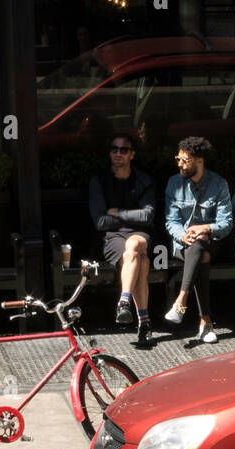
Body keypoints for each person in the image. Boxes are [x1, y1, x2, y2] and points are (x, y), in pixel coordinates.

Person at [163, 136, 232, 344]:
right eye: (179, 158)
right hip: (182, 244)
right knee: (199, 251)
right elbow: (171, 221)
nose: (179, 164)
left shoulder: (219, 184)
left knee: (201, 241)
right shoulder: (174, 184)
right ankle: (205, 322)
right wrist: (183, 234)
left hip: (213, 242)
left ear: (199, 161)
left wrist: (206, 228)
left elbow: (226, 223)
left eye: (185, 160)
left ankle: (181, 302)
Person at [88, 131, 155, 345]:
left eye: (123, 150)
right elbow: (100, 222)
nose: (118, 154)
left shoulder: (143, 180)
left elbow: (148, 215)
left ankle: (124, 302)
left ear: (132, 154)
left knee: (134, 244)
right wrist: (131, 217)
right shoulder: (99, 181)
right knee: (140, 262)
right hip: (113, 238)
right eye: (114, 149)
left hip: (138, 235)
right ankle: (144, 323)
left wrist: (118, 213)